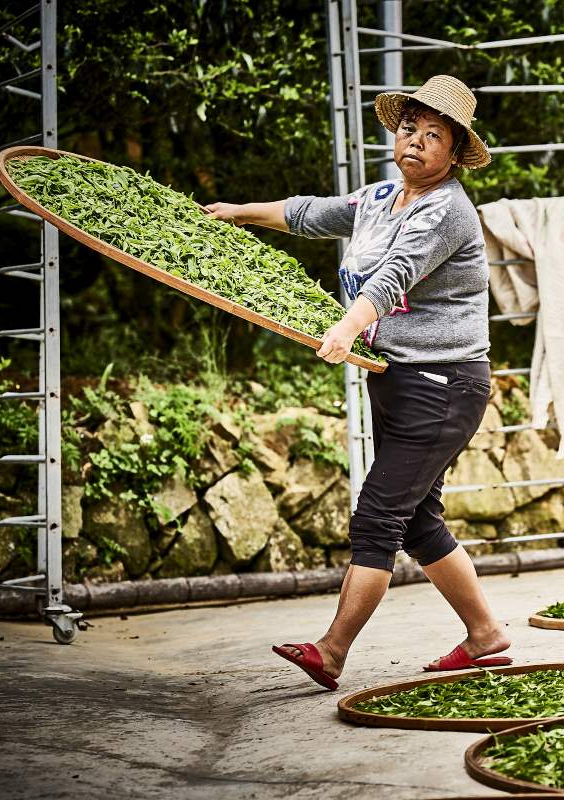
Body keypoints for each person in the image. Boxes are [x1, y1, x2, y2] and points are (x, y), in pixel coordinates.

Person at [203, 75, 511, 689]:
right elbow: (312, 213)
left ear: (453, 153)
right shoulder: (377, 200)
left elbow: (395, 275)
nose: (416, 144)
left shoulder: (447, 210)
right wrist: (238, 213)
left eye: (433, 136)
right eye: (409, 131)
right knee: (418, 519)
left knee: (378, 517)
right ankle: (486, 636)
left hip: (445, 383)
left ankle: (333, 650)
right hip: (401, 378)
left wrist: (346, 328)